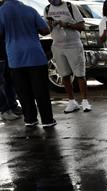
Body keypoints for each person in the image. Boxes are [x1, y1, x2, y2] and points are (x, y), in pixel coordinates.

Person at [0, 0, 55, 128]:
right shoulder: (30, 10)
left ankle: (30, 119)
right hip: (36, 56)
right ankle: (47, 120)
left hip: (15, 58)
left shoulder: (1, 12)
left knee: (23, 92)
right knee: (41, 91)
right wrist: (51, 25)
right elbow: (45, 31)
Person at [44, 0, 92, 113]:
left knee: (80, 74)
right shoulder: (47, 9)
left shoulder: (70, 6)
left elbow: (82, 26)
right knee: (64, 74)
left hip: (74, 45)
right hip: (57, 46)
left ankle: (85, 101)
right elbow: (47, 31)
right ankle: (72, 101)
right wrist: (51, 25)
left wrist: (67, 25)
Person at [0, 19, 21, 122]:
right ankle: (4, 110)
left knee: (9, 81)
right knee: (1, 83)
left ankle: (13, 106)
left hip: (6, 53)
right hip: (2, 54)